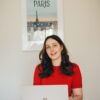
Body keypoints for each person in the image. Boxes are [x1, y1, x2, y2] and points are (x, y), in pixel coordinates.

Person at [33, 35, 83, 100]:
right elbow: (36, 95)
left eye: (54, 45)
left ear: (61, 47)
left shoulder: (74, 68)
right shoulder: (39, 69)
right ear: (46, 51)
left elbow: (79, 96)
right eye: (48, 47)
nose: (52, 49)